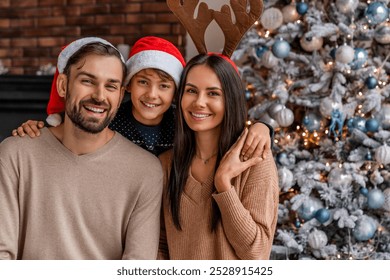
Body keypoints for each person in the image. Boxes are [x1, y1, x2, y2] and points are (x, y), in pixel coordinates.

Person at [0, 37, 163, 260]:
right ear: (63, 86)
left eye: (111, 86)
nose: (99, 96)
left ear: (120, 95)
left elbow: (138, 268)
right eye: (88, 81)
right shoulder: (14, 155)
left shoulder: (146, 171)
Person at [12, 36, 273, 159]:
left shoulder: (183, 123)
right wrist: (38, 126)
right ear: (127, 86)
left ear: (175, 93)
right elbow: (74, 131)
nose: (151, 94)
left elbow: (223, 129)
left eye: (164, 86)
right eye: (142, 82)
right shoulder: (109, 121)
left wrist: (263, 126)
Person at [158, 53, 279, 260]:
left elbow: (257, 253)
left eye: (213, 94)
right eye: (191, 91)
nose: (199, 102)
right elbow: (161, 243)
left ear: (230, 99)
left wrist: (223, 183)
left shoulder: (256, 160)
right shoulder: (166, 164)